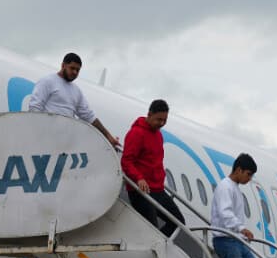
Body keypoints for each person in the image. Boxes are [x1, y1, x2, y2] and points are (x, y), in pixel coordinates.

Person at [29, 52, 121, 149]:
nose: (75, 72)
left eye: (78, 70)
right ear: (63, 65)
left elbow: (89, 116)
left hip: (64, 143)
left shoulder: (76, 91)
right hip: (45, 139)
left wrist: (108, 136)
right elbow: (35, 108)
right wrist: (38, 134)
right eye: (72, 68)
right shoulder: (47, 81)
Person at [121, 99, 185, 236]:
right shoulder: (136, 133)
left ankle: (158, 247)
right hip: (141, 191)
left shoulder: (158, 136)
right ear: (149, 114)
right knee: (152, 230)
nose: (161, 123)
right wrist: (138, 178)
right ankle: (155, 246)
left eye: (164, 120)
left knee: (178, 222)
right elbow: (126, 161)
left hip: (158, 189)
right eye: (158, 120)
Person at [210, 153, 264, 258]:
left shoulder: (235, 188)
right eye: (248, 174)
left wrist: (241, 234)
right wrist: (241, 228)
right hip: (226, 240)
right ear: (239, 170)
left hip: (236, 240)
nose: (249, 179)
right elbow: (224, 213)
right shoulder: (225, 187)